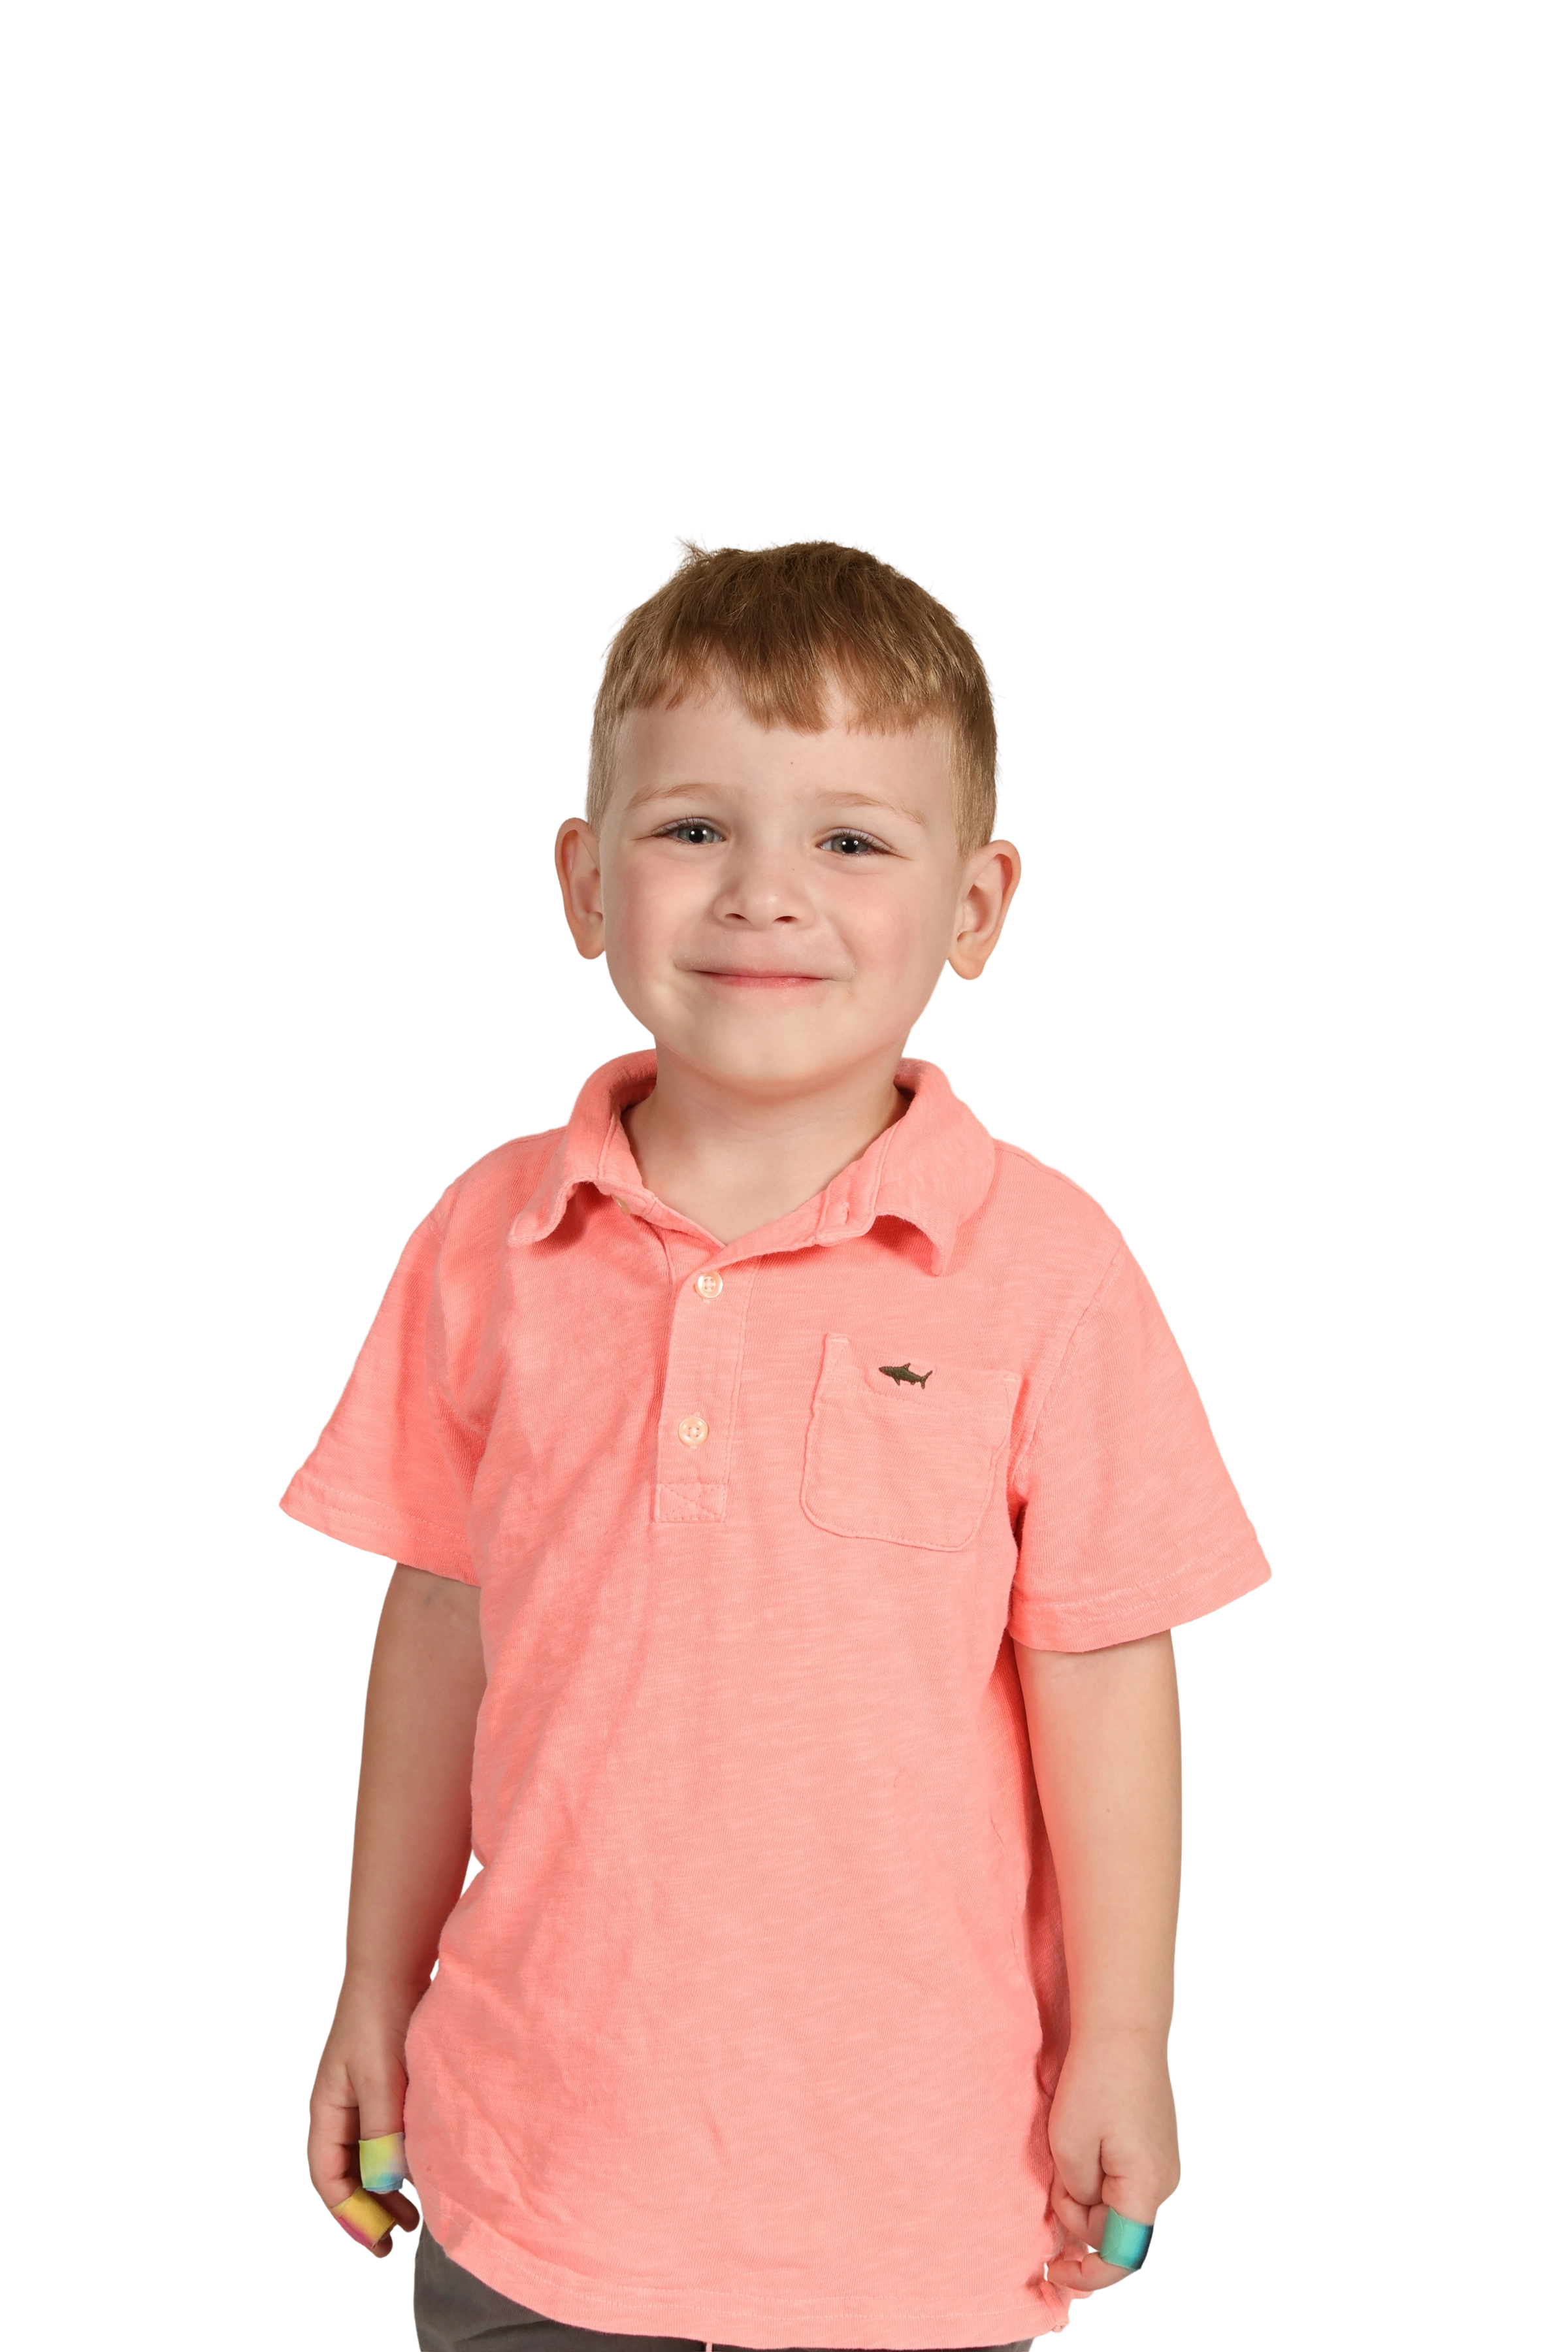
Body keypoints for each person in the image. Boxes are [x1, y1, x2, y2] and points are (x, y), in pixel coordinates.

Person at [282, 531, 1274, 2352]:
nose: (764, 895)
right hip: (534, 2174)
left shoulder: (1050, 1271)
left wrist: (1129, 2040)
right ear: (585, 882)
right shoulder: (489, 1240)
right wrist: (372, 1983)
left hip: (914, 2191)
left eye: (850, 841)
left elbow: (1106, 1672)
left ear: (976, 906)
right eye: (693, 829)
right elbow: (437, 1626)